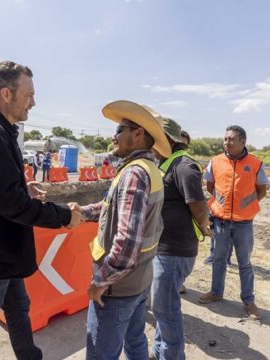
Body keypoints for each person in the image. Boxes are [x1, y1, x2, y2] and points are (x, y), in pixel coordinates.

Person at [0, 60, 83, 360]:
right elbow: (9, 204)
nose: (34, 102)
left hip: (6, 250)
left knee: (19, 312)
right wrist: (64, 216)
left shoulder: (0, 130)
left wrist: (24, 184)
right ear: (6, 93)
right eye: (28, 95)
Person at [72, 100, 171, 359]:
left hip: (116, 288)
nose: (114, 136)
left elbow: (126, 243)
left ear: (138, 134)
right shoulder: (149, 169)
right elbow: (112, 207)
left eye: (119, 129)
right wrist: (83, 212)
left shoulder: (134, 174)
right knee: (135, 341)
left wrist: (99, 282)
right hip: (138, 280)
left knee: (100, 353)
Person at [151, 118, 211, 359]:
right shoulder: (167, 164)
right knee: (162, 307)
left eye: (155, 138)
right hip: (164, 248)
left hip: (174, 250)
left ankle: (172, 355)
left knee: (165, 308)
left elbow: (198, 205)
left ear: (168, 140)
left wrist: (204, 226)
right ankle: (159, 351)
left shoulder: (183, 166)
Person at [198, 125, 268, 320]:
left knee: (244, 262)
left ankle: (248, 300)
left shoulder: (256, 163)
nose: (227, 142)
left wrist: (246, 205)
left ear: (243, 142)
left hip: (244, 223)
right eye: (225, 139)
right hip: (220, 221)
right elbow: (210, 185)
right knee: (218, 259)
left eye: (231, 139)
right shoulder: (216, 161)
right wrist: (220, 205)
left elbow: (261, 190)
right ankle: (216, 292)